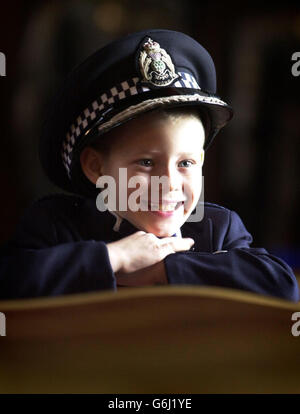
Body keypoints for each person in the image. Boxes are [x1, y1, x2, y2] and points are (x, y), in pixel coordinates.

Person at [0, 29, 298, 301]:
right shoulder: (56, 226)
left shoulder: (216, 228)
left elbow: (282, 287)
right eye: (145, 162)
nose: (168, 182)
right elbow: (11, 280)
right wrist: (113, 258)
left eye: (186, 163)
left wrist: (162, 269)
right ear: (96, 167)